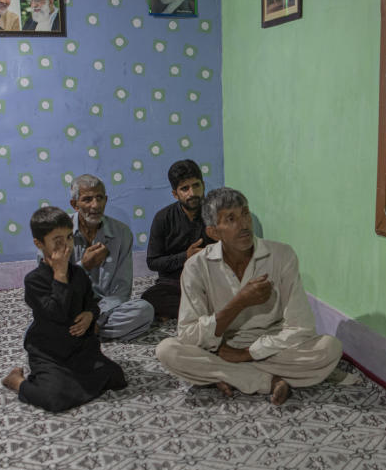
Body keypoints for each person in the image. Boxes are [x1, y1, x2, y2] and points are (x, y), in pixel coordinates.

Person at [156, 188, 343, 406]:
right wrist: (239, 302)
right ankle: (268, 381)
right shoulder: (196, 266)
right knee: (167, 351)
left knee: (329, 348)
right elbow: (188, 334)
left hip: (271, 344)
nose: (244, 224)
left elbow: (301, 328)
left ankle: (224, 375)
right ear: (214, 232)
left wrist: (247, 354)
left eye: (245, 214)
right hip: (220, 346)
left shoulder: (282, 255)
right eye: (231, 219)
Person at [2, 206, 127, 413]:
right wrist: (59, 275)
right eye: (57, 241)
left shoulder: (78, 273)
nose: (66, 246)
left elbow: (92, 302)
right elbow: (56, 313)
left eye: (69, 237)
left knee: (116, 377)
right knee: (55, 399)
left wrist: (90, 315)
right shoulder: (34, 281)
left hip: (79, 349)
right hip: (49, 352)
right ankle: (17, 382)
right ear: (39, 244)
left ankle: (73, 380)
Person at [68, 174, 154, 340]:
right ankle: (83, 331)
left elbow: (122, 289)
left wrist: (96, 317)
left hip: (104, 308)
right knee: (40, 324)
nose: (95, 205)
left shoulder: (122, 233)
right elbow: (48, 285)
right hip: (70, 305)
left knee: (144, 310)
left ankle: (83, 332)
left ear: (106, 200)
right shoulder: (59, 232)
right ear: (74, 204)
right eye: (87, 199)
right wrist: (83, 266)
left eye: (99, 198)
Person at [141, 159, 214, 320]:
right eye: (185, 189)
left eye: (196, 186)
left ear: (203, 185)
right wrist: (185, 257)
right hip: (175, 284)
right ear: (175, 193)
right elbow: (153, 262)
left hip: (208, 282)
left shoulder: (214, 214)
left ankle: (191, 310)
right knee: (149, 300)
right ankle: (200, 310)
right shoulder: (163, 218)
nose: (192, 193)